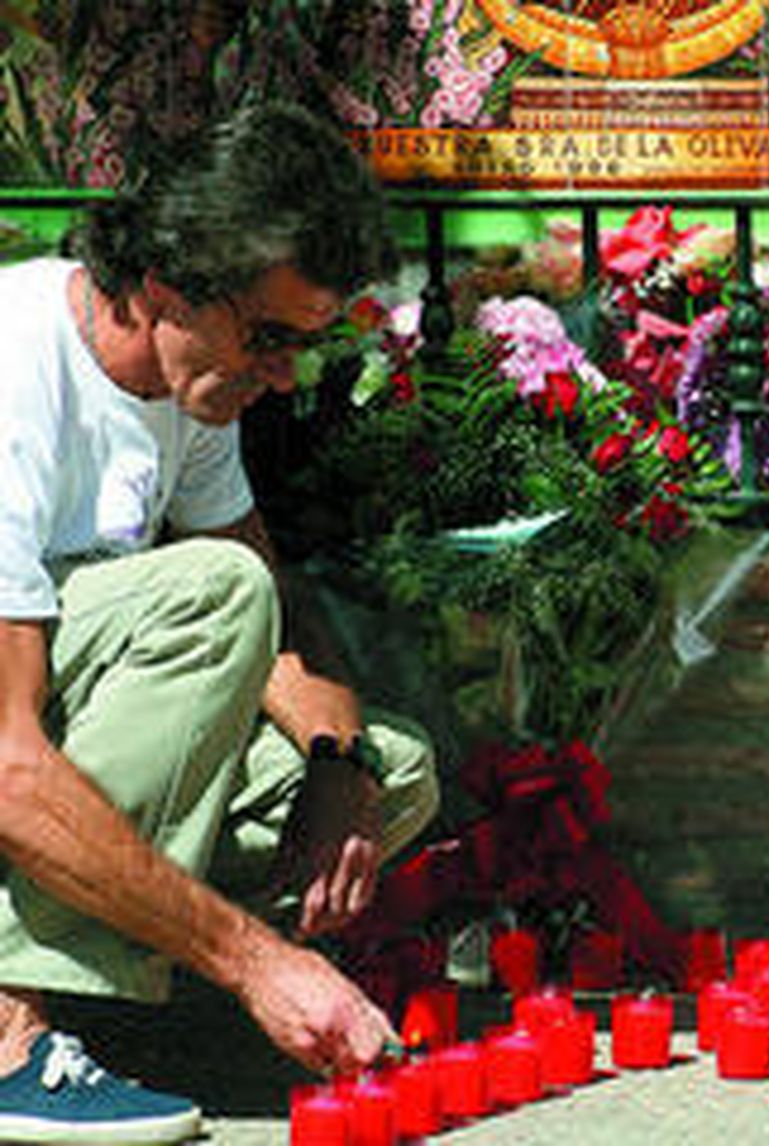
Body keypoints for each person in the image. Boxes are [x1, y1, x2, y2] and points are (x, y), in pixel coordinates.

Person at [0, 102, 439, 1142]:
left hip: (40, 748)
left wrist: (340, 765)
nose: (284, 375)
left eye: (304, 346)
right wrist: (261, 962)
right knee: (208, 595)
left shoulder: (184, 389)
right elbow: (8, 761)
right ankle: (10, 1027)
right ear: (163, 288)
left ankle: (113, 1000)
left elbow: (281, 616)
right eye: (268, 337)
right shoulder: (17, 373)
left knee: (393, 771)